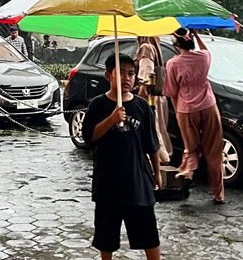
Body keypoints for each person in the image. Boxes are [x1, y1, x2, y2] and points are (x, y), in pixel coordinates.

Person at [82, 54, 162, 260]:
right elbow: (90, 136)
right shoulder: (97, 105)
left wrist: (157, 172)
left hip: (138, 180)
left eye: (131, 73)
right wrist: (111, 119)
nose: (127, 78)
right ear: (109, 75)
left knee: (149, 234)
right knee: (106, 237)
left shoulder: (142, 107)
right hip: (108, 183)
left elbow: (151, 143)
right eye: (121, 73)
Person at [164, 28, 225, 204]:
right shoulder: (203, 57)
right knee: (214, 151)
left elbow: (172, 92)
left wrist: (178, 113)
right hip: (208, 106)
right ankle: (218, 194)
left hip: (186, 109)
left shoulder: (173, 64)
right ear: (191, 41)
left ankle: (187, 172)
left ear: (176, 44)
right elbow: (206, 50)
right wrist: (197, 34)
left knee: (191, 148)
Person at [135, 36, 173, 164]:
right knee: (160, 128)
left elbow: (147, 70)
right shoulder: (155, 48)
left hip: (150, 97)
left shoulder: (146, 47)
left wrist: (142, 88)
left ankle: (161, 158)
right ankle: (165, 156)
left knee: (153, 128)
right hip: (159, 95)